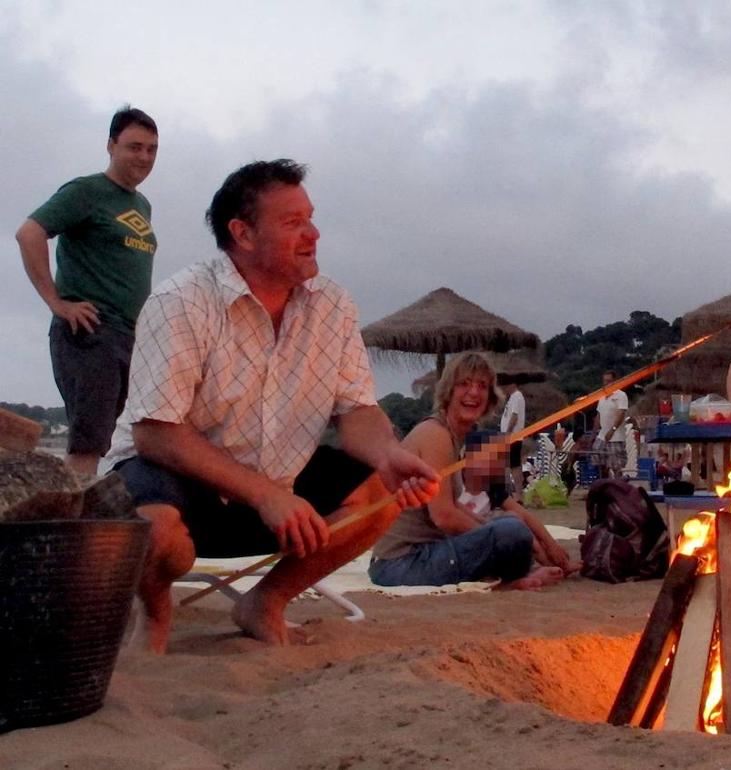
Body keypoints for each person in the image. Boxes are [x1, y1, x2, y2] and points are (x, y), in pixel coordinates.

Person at [105, 159, 440, 653]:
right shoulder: (182, 301)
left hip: (275, 489)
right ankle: (154, 614)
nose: (313, 233)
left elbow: (357, 413)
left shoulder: (333, 305)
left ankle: (266, 600)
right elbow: (155, 433)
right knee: (154, 526)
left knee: (378, 490)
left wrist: (388, 454)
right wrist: (263, 494)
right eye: (293, 223)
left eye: (310, 217)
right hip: (182, 482)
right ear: (242, 233)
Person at [16, 106, 160, 478]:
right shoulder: (87, 191)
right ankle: (72, 532)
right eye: (134, 147)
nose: (143, 157)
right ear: (111, 146)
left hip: (128, 337)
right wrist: (56, 302)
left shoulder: (141, 205)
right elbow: (29, 232)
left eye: (151, 149)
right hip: (90, 333)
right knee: (88, 442)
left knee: (122, 438)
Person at [370, 353, 567, 589]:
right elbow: (444, 516)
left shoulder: (452, 438)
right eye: (464, 384)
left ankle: (514, 574)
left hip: (411, 559)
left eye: (482, 386)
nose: (474, 393)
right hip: (402, 564)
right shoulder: (435, 434)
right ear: (449, 392)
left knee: (511, 523)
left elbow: (455, 506)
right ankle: (513, 579)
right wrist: (495, 537)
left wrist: (497, 531)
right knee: (511, 530)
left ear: (490, 397)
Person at [460, 430, 578, 574]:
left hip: (483, 540)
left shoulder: (491, 489)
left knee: (517, 519)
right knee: (512, 522)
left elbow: (526, 516)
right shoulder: (454, 486)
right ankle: (550, 566)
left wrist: (552, 545)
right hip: (460, 543)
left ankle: (552, 564)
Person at [595, 370, 629, 478]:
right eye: (605, 381)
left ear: (614, 381)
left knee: (616, 465)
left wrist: (612, 429)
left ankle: (619, 485)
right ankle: (604, 483)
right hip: (601, 435)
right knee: (597, 458)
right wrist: (594, 433)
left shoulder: (621, 395)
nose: (606, 383)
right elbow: (598, 415)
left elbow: (621, 414)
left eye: (609, 381)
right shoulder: (601, 397)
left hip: (615, 436)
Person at [498, 374, 527, 494]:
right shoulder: (512, 398)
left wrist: (508, 432)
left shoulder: (517, 396)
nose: (505, 388)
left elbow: (514, 416)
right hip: (509, 436)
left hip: (513, 436)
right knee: (509, 465)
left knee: (514, 465)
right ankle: (508, 493)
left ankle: (518, 495)